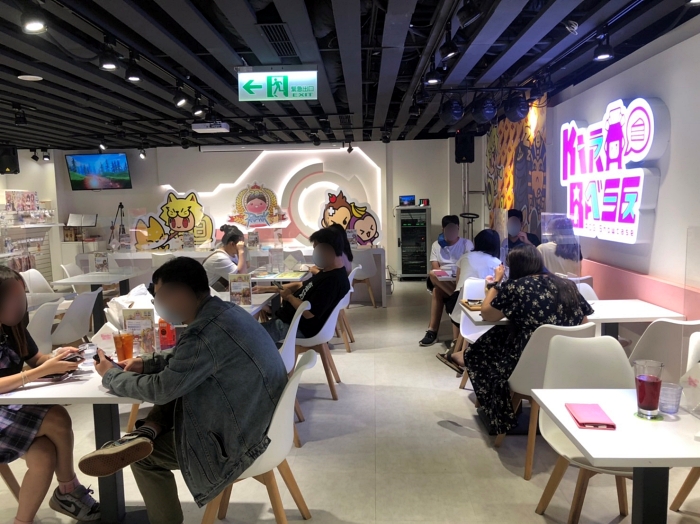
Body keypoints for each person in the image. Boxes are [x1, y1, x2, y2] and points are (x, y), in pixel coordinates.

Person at [80, 257, 287, 524]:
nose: (158, 303)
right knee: (181, 384)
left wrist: (111, 375)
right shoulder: (227, 312)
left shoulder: (202, 332)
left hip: (242, 441)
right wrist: (146, 363)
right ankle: (147, 430)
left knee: (145, 458)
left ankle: (146, 439)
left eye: (159, 296)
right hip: (262, 423)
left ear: (181, 293)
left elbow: (161, 389)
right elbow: (187, 360)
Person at [447, 245, 593, 434]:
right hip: (568, 364)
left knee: (488, 352)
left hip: (527, 366)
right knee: (503, 334)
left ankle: (500, 409)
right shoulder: (568, 286)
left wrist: (496, 283)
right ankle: (466, 355)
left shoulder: (517, 287)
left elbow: (487, 314)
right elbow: (584, 323)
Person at [0, 267, 100, 524]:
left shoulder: (13, 328)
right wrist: (38, 372)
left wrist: (57, 357)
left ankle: (26, 519)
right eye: (14, 299)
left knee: (44, 456)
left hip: (8, 405)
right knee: (56, 417)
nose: (21, 305)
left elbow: (36, 359)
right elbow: (34, 370)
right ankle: (68, 490)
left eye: (22, 297)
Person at [256, 227, 350, 341]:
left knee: (247, 336)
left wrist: (289, 297)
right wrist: (266, 288)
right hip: (287, 320)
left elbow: (308, 313)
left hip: (296, 328)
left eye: (316, 250)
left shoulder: (333, 281)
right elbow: (300, 285)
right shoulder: (327, 272)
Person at [419, 215, 474, 347]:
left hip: (461, 281)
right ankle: (455, 298)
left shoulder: (466, 244)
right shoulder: (437, 245)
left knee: (437, 291)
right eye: (448, 229)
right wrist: (446, 276)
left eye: (454, 229)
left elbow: (469, 264)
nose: (451, 232)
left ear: (458, 228)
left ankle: (432, 330)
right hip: (444, 280)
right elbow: (435, 268)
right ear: (443, 229)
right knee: (433, 276)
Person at [441, 229, 501, 346]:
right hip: (484, 304)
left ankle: (455, 341)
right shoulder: (497, 263)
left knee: (457, 298)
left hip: (459, 302)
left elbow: (458, 282)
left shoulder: (465, 257)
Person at [202, 224, 247, 290]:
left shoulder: (232, 255)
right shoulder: (220, 258)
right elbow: (240, 277)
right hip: (210, 293)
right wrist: (241, 251)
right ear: (232, 244)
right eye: (240, 244)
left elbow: (243, 275)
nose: (243, 246)